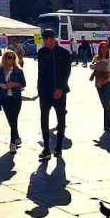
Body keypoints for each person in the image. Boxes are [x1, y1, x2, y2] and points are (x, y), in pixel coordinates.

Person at [36, 29, 72, 161]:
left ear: (53, 39)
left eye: (49, 39)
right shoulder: (41, 52)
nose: (47, 42)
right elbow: (41, 73)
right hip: (45, 92)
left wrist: (60, 88)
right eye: (45, 40)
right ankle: (46, 148)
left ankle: (58, 147)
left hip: (59, 92)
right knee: (44, 120)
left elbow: (66, 73)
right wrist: (40, 90)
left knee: (61, 119)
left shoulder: (64, 53)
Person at [0, 49, 26, 152]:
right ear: (5, 58)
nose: (11, 59)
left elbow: (23, 83)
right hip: (4, 98)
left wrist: (14, 84)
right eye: (9, 57)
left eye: (13, 57)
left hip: (16, 98)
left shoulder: (18, 70)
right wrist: (1, 85)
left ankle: (12, 143)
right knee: (11, 120)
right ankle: (17, 137)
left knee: (14, 120)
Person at [90, 41, 110, 132]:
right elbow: (91, 66)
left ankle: (106, 124)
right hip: (98, 82)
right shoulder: (96, 57)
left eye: (105, 47)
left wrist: (103, 82)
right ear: (99, 49)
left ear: (108, 49)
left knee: (106, 103)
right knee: (104, 104)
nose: (104, 49)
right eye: (102, 47)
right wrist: (96, 65)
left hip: (108, 82)